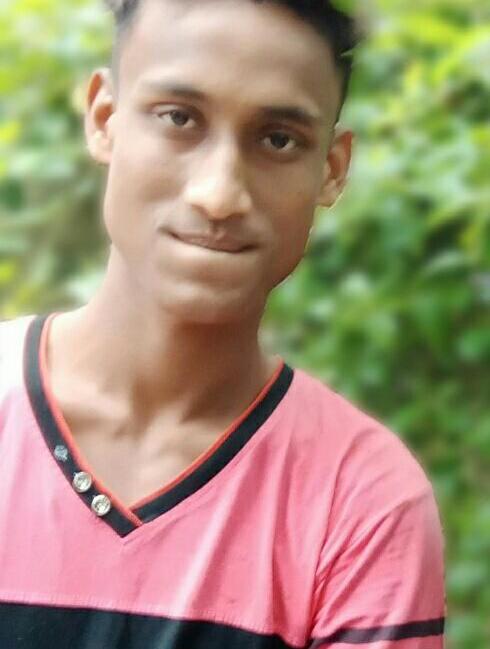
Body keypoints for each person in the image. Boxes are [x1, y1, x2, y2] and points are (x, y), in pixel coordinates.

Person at [0, 0, 445, 647]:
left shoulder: (363, 499)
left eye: (277, 139)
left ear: (331, 169)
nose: (219, 194)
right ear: (104, 119)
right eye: (179, 118)